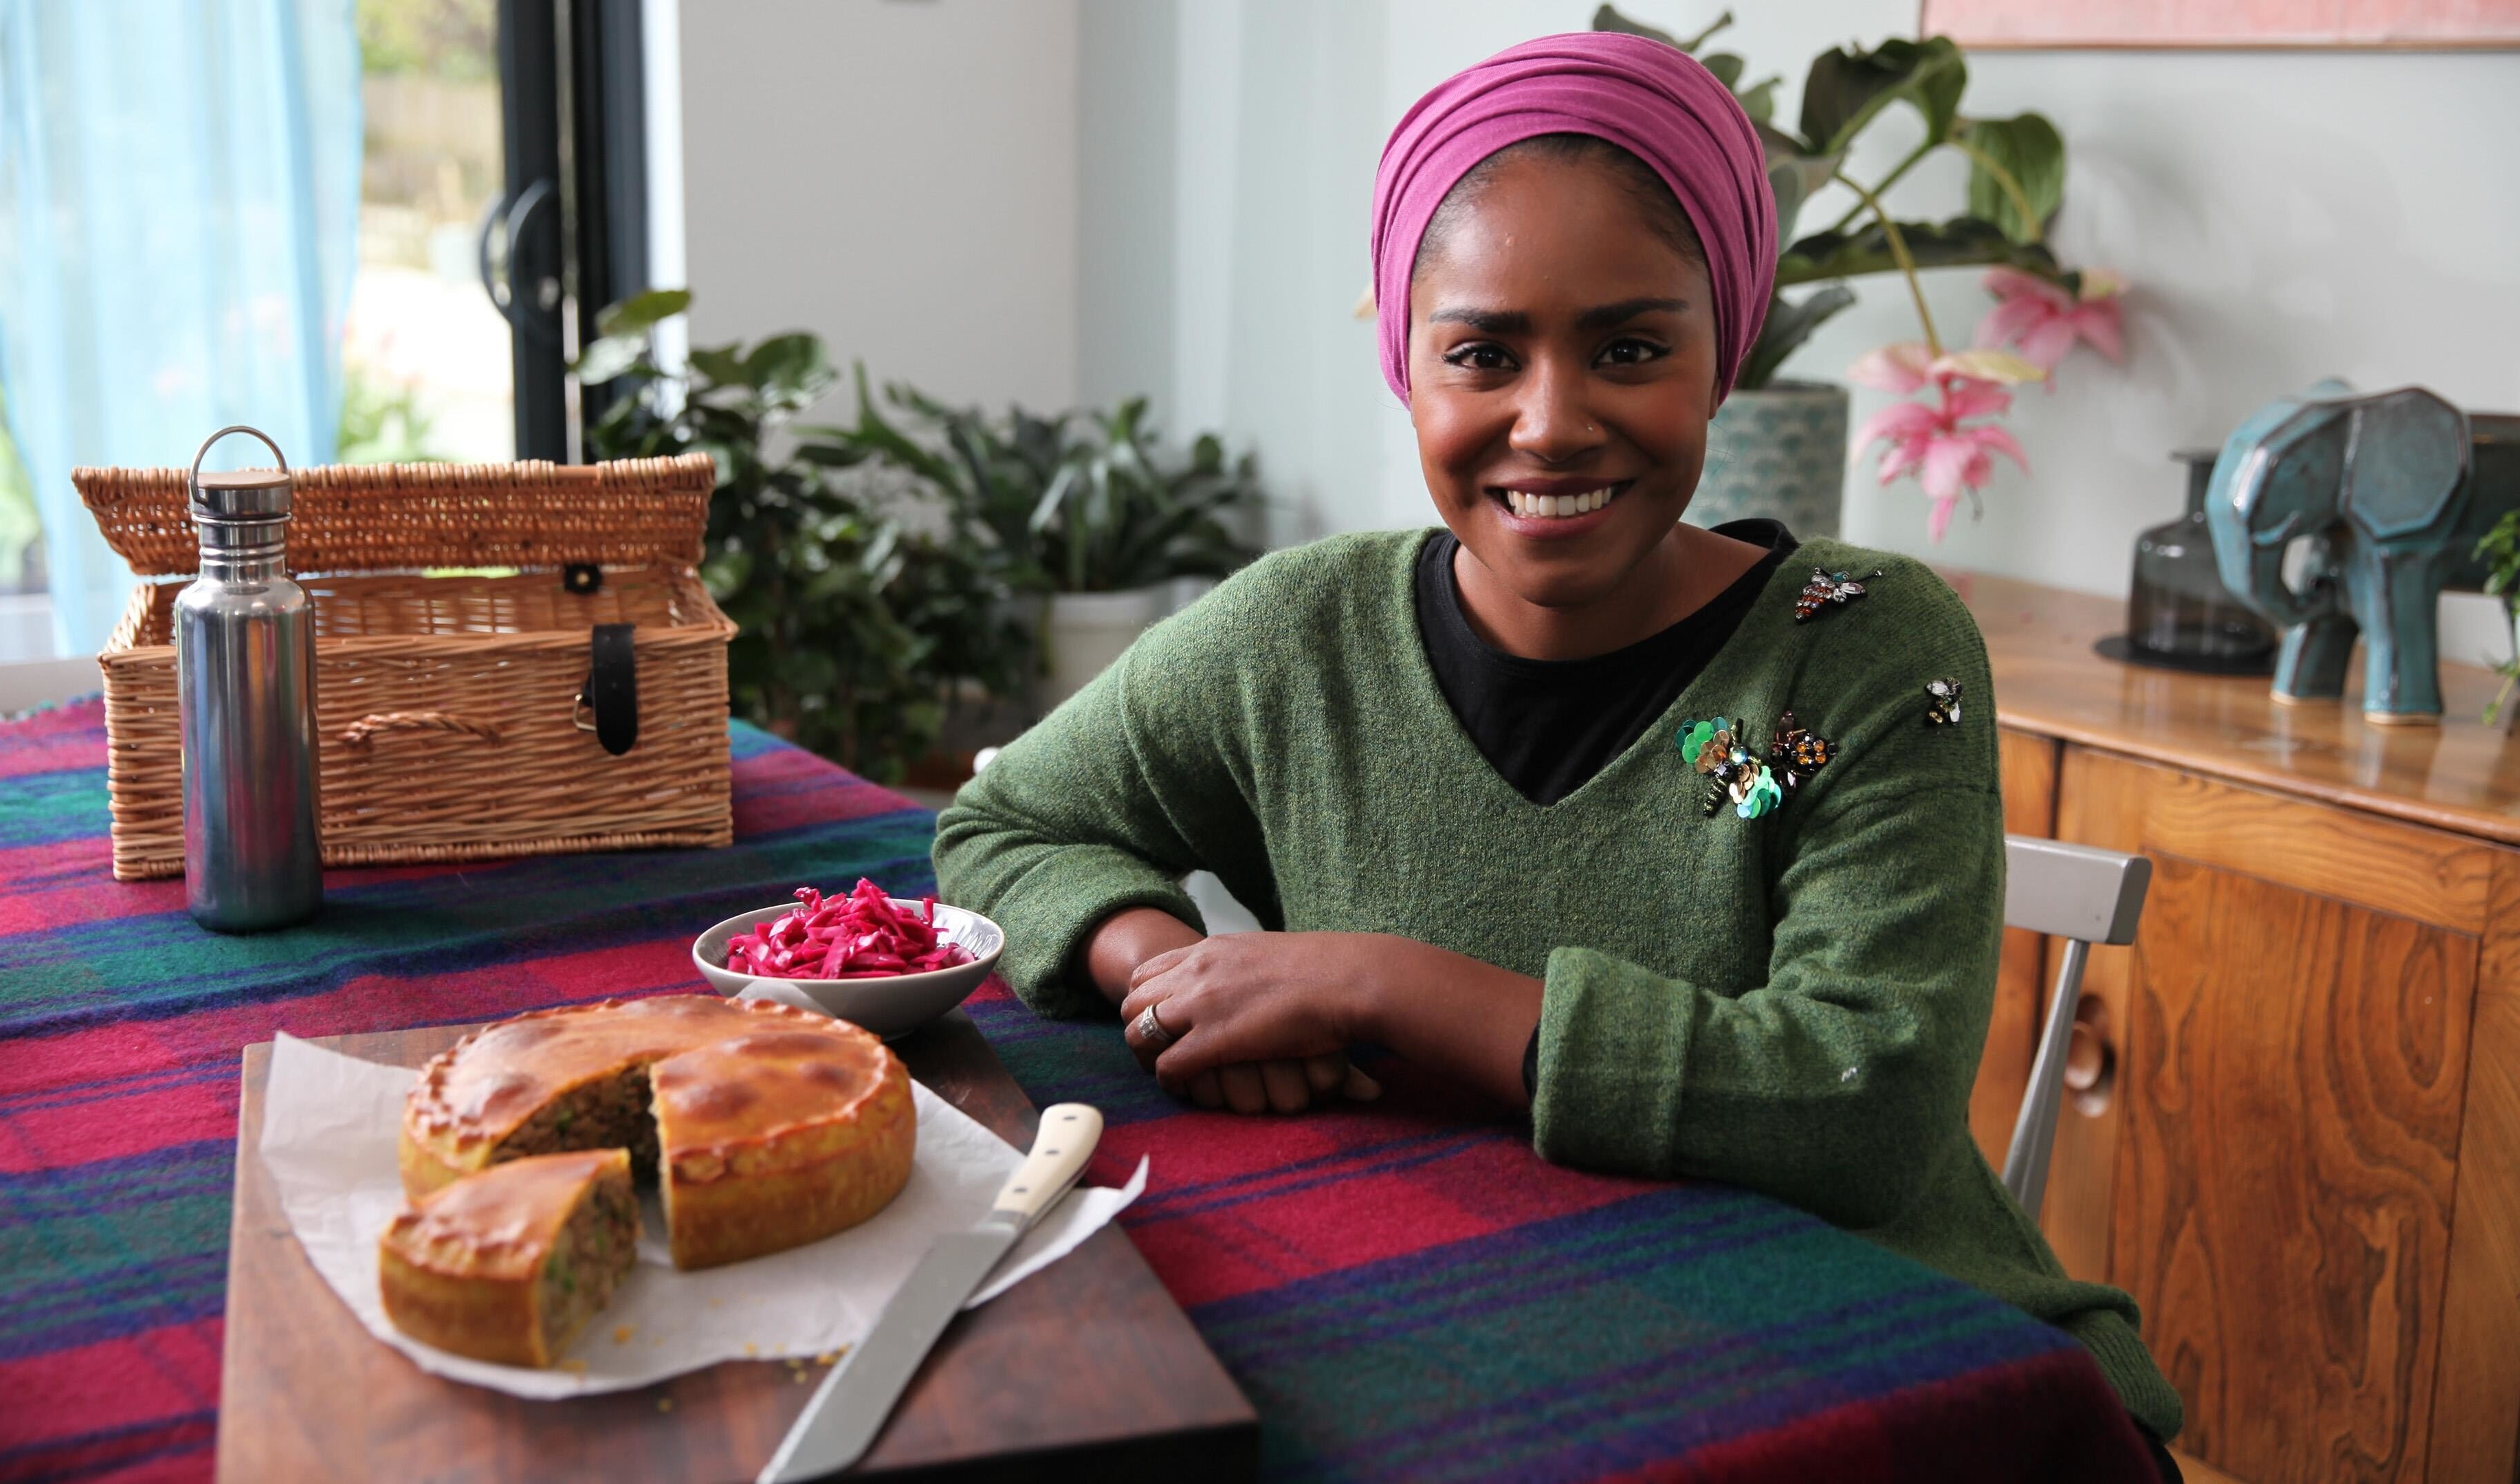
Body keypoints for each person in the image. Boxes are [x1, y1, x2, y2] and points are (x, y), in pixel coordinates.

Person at [934, 30, 2182, 1475]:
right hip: (1481, 1329)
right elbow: (1002, 826)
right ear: (1408, 370)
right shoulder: (1298, 641)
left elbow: (1862, 1096)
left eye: (1632, 348)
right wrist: (1167, 974)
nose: (1551, 421)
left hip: (1907, 1371)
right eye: (1483, 353)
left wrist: (1384, 983)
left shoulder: (1851, 657)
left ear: (1727, 353)